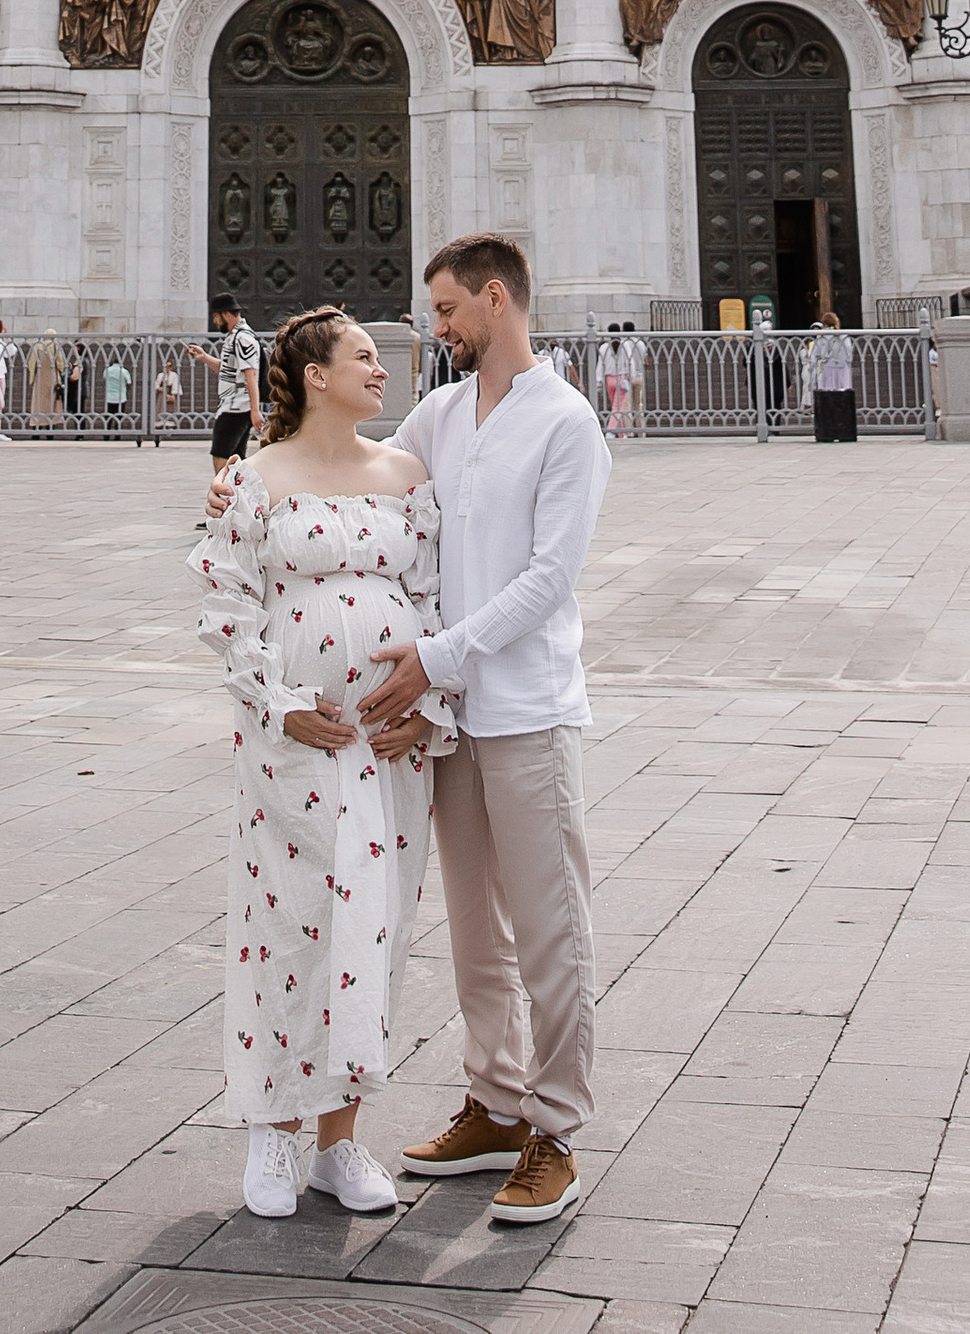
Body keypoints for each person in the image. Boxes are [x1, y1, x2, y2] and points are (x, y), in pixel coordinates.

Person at [367, 236, 610, 1228]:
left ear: (496, 299)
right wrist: (251, 481)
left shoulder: (566, 423)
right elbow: (367, 477)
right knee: (474, 931)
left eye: (447, 310)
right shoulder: (441, 411)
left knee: (550, 930)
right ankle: (496, 1102)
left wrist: (440, 656)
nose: (438, 327)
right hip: (452, 719)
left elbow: (549, 579)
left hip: (525, 710)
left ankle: (555, 1127)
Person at [190, 306, 451, 1220]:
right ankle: (273, 1130)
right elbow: (227, 604)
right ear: (314, 376)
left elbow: (434, 597)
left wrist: (428, 711)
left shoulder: (408, 477)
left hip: (388, 746)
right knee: (287, 924)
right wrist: (282, 706)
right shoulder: (254, 480)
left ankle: (341, 1139)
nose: (383, 371)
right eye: (366, 358)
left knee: (373, 931)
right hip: (293, 746)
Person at [193, 297, 264, 472]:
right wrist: (204, 357)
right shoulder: (235, 337)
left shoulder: (243, 338)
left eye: (216, 317)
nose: (215, 322)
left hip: (236, 408)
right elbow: (229, 370)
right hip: (234, 406)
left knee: (221, 457)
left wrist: (255, 410)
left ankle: (223, 496)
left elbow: (251, 374)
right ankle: (237, 496)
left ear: (226, 314)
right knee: (236, 460)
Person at [807, 312, 857, 446]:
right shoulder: (843, 335)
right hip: (842, 368)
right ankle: (843, 427)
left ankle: (828, 428)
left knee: (827, 396)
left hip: (827, 368)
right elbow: (849, 353)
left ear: (824, 324)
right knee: (842, 395)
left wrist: (814, 371)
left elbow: (815, 355)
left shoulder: (821, 336)